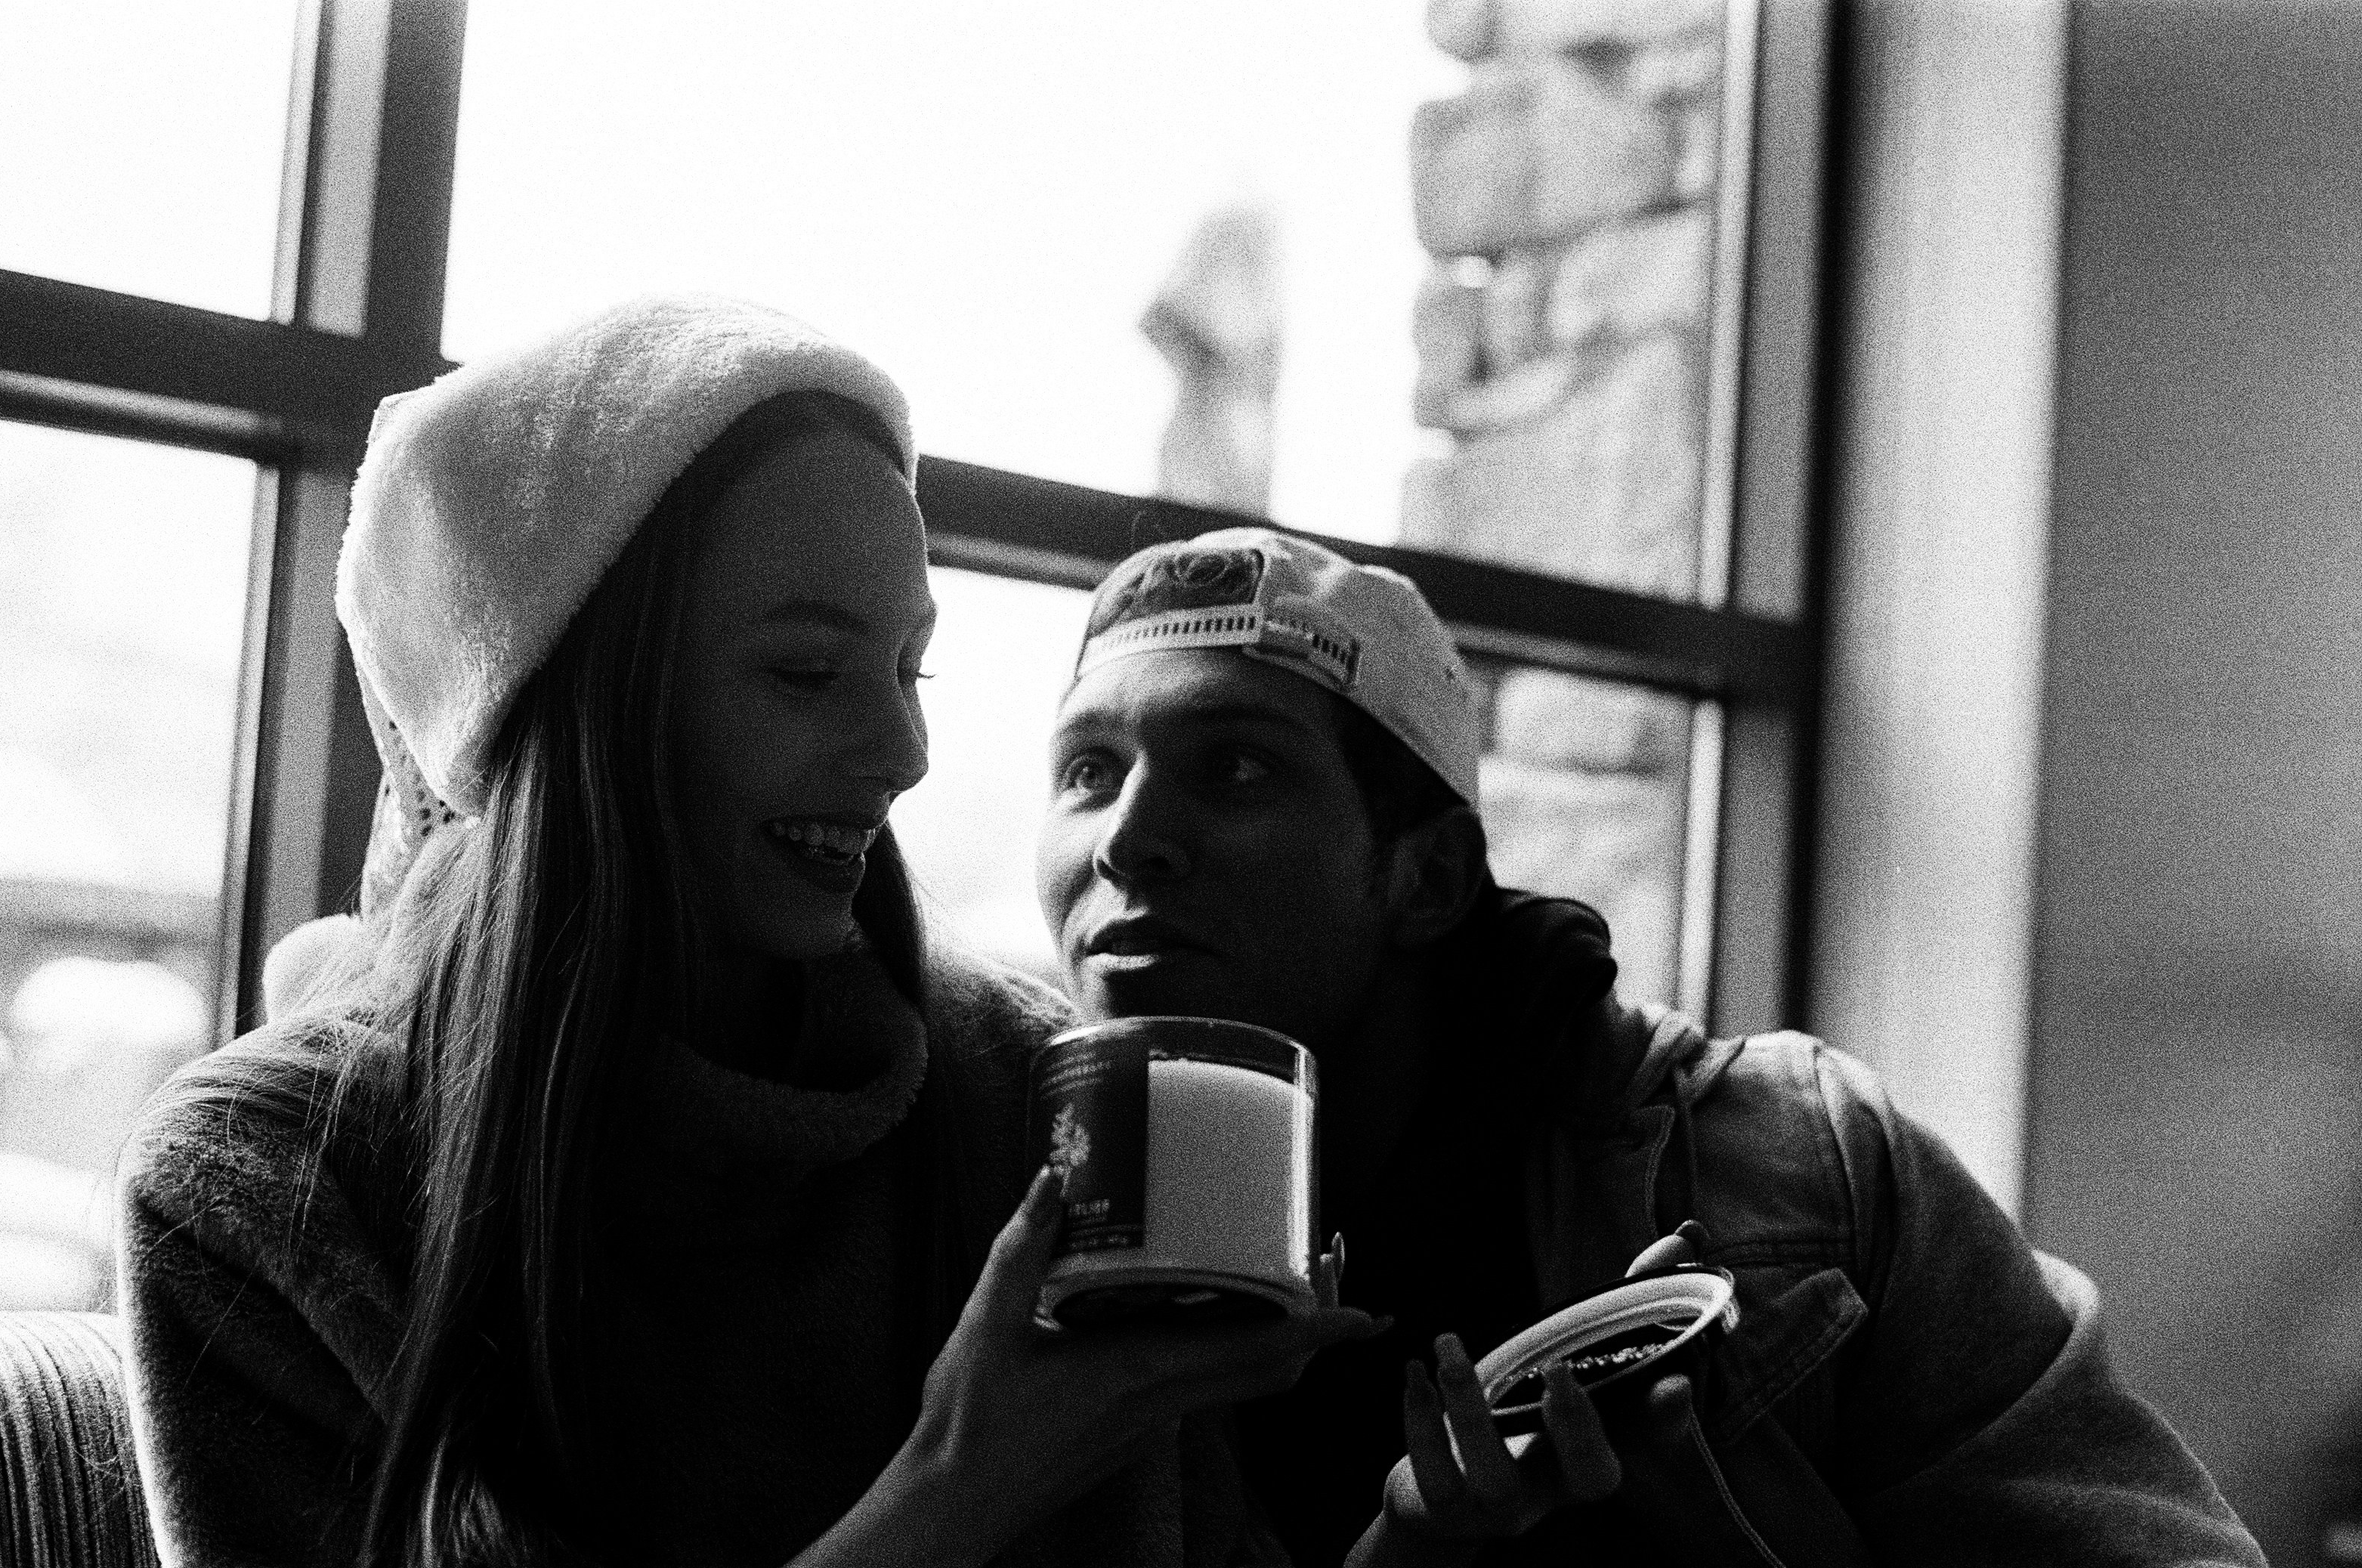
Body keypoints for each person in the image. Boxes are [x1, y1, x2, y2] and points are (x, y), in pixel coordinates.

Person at [115, 299, 1375, 1568]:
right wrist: (964, 1478)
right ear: (581, 705)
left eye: (909, 670)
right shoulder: (263, 1176)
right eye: (806, 674)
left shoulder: (1021, 1088)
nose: (903, 753)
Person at [1034, 525, 2269, 1566]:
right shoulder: (994, 1195)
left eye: (1234, 768)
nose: (1125, 841)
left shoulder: (1799, 1168)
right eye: (1089, 769)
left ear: (1425, 877)